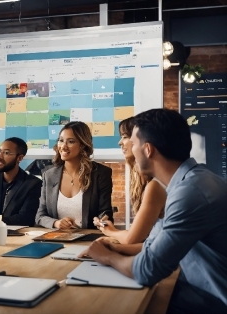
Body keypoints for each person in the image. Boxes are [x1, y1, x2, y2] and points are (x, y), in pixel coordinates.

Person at [81, 109, 227, 313]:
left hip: (212, 301)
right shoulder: (189, 182)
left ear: (148, 149)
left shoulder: (191, 193)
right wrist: (114, 248)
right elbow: (154, 244)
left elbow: (147, 270)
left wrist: (106, 257)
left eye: (132, 142)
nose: (127, 146)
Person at [93, 117, 167, 254]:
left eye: (125, 137)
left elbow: (133, 239)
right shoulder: (140, 179)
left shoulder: (156, 185)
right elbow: (145, 237)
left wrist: (112, 233)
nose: (120, 142)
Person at [35, 121, 113, 230]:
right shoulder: (49, 175)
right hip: (57, 238)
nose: (63, 146)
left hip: (88, 240)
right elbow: (40, 216)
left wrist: (102, 220)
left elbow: (106, 212)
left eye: (70, 142)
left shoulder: (100, 173)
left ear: (82, 145)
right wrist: (56, 223)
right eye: (61, 141)